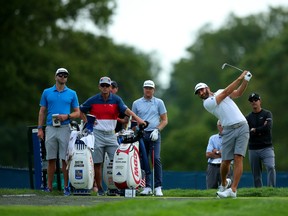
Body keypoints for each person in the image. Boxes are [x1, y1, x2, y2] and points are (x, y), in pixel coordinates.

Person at [79, 76, 146, 196]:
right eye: (103, 85)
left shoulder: (116, 99)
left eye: (107, 86)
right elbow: (81, 110)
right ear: (99, 87)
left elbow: (127, 111)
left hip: (111, 135)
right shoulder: (94, 99)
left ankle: (117, 187)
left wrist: (139, 119)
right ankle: (99, 188)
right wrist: (87, 122)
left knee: (117, 160)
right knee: (97, 163)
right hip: (97, 134)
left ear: (110, 87)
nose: (105, 88)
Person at [195, 70, 252, 198]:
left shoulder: (220, 91)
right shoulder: (207, 103)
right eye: (198, 92)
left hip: (242, 125)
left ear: (207, 88)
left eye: (201, 90)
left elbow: (238, 93)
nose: (200, 93)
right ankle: (224, 182)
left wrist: (246, 80)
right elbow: (226, 92)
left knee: (238, 157)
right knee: (225, 161)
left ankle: (233, 190)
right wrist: (240, 77)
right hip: (228, 129)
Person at [37, 68, 80, 196]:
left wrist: (66, 116)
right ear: (55, 76)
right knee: (50, 159)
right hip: (50, 128)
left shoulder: (72, 93)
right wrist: (40, 128)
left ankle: (66, 187)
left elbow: (77, 112)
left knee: (64, 159)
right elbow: (42, 111)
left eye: (65, 75)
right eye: (60, 75)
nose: (63, 77)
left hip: (65, 128)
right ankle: (49, 187)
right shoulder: (47, 92)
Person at [132, 80, 168, 196]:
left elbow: (164, 120)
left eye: (150, 88)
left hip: (154, 134)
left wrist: (157, 130)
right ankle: (146, 186)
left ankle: (158, 186)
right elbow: (133, 121)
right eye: (146, 88)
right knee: (143, 160)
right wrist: (135, 132)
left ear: (154, 90)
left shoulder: (159, 102)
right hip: (141, 134)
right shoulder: (136, 103)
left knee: (156, 159)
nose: (148, 90)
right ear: (143, 89)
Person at [246, 93, 276, 187]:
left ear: (260, 101)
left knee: (271, 167)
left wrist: (255, 130)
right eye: (251, 101)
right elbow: (247, 132)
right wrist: (261, 129)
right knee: (256, 174)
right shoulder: (248, 118)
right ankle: (259, 191)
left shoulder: (267, 114)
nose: (253, 102)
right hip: (253, 148)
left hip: (267, 147)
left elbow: (268, 128)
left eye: (255, 100)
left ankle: (271, 189)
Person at [206, 120, 233, 189]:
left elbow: (230, 154)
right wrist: (220, 153)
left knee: (226, 188)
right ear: (218, 126)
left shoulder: (231, 138)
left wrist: (216, 151)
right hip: (213, 165)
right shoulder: (212, 138)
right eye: (220, 125)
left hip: (226, 164)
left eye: (224, 126)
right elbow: (208, 154)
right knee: (211, 188)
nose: (222, 127)